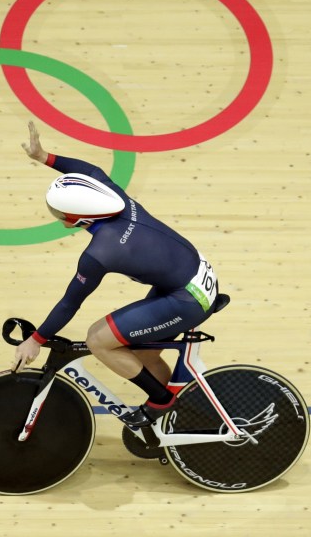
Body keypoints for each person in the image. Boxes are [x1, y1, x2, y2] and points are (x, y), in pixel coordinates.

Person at [13, 120, 220, 427]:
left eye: (59, 214)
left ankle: (160, 403)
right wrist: (45, 157)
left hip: (185, 297)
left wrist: (36, 340)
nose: (59, 218)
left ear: (74, 220)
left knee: (98, 339)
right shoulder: (114, 196)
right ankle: (180, 423)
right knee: (144, 356)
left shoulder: (99, 254)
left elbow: (70, 303)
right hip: (192, 272)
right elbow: (89, 170)